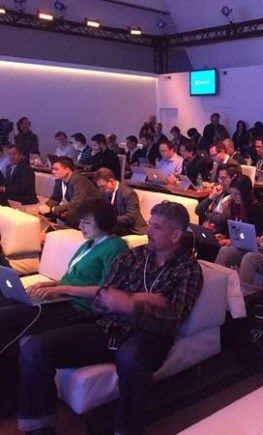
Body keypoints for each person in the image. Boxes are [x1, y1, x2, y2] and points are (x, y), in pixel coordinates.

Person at [18, 201, 203, 434]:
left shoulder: (188, 269)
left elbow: (172, 319)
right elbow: (100, 300)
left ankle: (128, 430)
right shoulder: (134, 256)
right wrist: (136, 299)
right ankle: (39, 427)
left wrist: (129, 305)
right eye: (150, 224)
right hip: (108, 327)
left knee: (131, 359)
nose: (148, 231)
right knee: (35, 348)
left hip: (148, 336)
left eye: (157, 227)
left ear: (176, 235)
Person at [0, 199, 128, 419]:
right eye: (81, 221)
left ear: (103, 222)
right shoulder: (89, 244)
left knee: (6, 320)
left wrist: (61, 289)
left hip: (77, 308)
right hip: (61, 298)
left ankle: (11, 396)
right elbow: (74, 278)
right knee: (7, 305)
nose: (81, 226)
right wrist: (50, 284)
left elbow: (105, 290)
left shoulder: (116, 247)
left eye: (87, 222)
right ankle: (11, 388)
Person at [213, 175, 263, 267]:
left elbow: (256, 235)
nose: (234, 197)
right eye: (232, 193)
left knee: (225, 251)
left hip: (248, 249)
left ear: (245, 193)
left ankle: (216, 273)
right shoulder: (234, 205)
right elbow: (231, 227)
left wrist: (232, 241)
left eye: (237, 194)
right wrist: (224, 235)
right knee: (210, 245)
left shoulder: (257, 208)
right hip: (234, 244)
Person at [44, 157, 100, 227]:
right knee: (45, 213)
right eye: (53, 169)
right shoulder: (59, 179)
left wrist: (54, 209)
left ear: (67, 170)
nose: (53, 172)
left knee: (69, 213)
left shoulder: (78, 180)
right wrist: (46, 206)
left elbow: (77, 203)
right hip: (76, 208)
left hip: (90, 210)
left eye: (56, 169)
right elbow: (55, 198)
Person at [195, 163, 240, 244]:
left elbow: (220, 219)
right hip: (206, 230)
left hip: (220, 234)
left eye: (224, 178)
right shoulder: (219, 192)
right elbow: (198, 210)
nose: (220, 182)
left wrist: (207, 214)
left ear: (234, 178)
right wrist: (211, 196)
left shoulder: (236, 197)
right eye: (219, 178)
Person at [94, 168, 148, 236]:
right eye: (99, 187)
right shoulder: (104, 193)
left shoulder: (128, 193)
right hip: (117, 226)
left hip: (131, 228)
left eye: (102, 186)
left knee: (105, 230)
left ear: (111, 181)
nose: (101, 189)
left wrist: (111, 220)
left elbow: (132, 217)